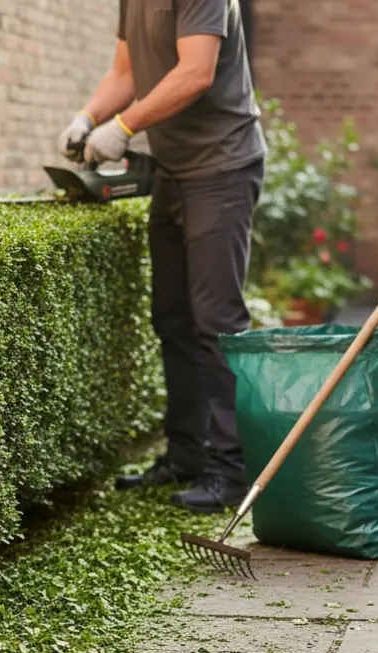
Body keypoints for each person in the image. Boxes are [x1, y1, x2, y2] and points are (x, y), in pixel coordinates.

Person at [58, 0, 266, 513]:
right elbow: (125, 71)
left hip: (221, 166)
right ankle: (186, 457)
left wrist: (123, 128)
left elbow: (195, 72)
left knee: (217, 320)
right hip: (174, 171)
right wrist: (89, 117)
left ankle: (229, 472)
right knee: (172, 317)